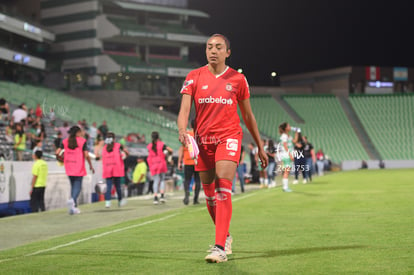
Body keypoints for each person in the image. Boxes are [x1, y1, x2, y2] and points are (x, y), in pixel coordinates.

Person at [177, 33, 268, 263]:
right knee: (209, 196)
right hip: (202, 142)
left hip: (228, 138)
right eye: (209, 47)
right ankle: (225, 237)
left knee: (222, 188)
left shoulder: (238, 80)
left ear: (228, 52)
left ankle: (219, 248)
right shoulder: (194, 76)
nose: (213, 50)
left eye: (218, 47)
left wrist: (260, 146)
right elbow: (185, 109)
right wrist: (182, 131)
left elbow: (248, 116)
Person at [56, 126, 95, 215]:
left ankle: (73, 208)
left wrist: (60, 158)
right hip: (78, 167)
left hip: (69, 166)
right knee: (77, 187)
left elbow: (57, 152)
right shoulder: (82, 141)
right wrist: (90, 165)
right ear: (77, 132)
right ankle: (72, 201)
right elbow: (86, 155)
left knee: (73, 186)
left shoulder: (65, 141)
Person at [102, 132, 128, 208]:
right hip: (116, 168)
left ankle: (107, 202)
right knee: (117, 186)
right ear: (114, 139)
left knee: (108, 186)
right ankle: (120, 201)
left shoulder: (104, 147)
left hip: (107, 168)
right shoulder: (118, 146)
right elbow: (123, 156)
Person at [178, 119, 201, 205]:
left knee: (187, 180)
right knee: (198, 180)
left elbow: (182, 149)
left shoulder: (186, 135)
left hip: (187, 161)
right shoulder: (200, 134)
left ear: (191, 125)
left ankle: (186, 195)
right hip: (197, 161)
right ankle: (195, 199)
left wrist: (179, 162)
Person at [147, 131, 173, 204]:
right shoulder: (162, 144)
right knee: (162, 180)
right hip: (161, 164)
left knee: (155, 181)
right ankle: (162, 196)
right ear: (158, 137)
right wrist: (169, 157)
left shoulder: (149, 146)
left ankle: (155, 198)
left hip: (153, 165)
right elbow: (170, 150)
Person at [277, 122, 295, 192]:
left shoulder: (287, 136)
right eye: (288, 126)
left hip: (286, 155)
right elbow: (285, 145)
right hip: (286, 155)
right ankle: (285, 187)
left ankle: (285, 187)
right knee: (286, 171)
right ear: (286, 128)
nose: (290, 127)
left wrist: (297, 132)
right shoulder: (284, 136)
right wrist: (290, 154)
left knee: (287, 171)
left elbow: (294, 141)